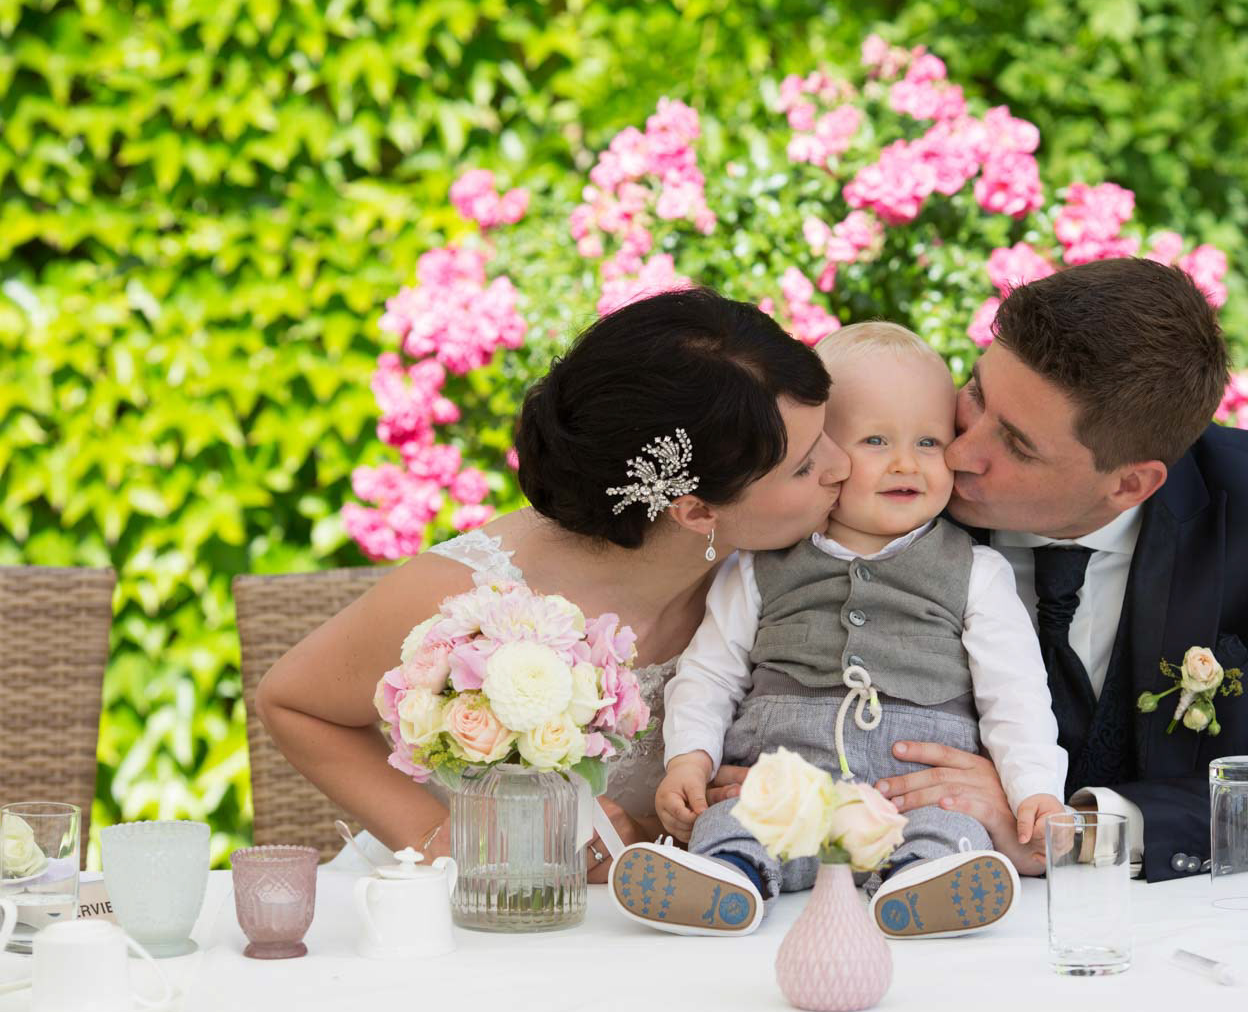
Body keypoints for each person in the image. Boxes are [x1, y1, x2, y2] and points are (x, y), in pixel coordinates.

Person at [255, 288, 850, 879]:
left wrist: (656, 830)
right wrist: (446, 839)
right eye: (804, 466)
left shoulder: (806, 571)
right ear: (696, 511)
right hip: (459, 906)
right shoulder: (474, 596)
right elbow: (293, 703)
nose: (842, 466)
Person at [842, 257, 1248, 882]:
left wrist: (1077, 833)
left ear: (1130, 484)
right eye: (977, 393)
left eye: (1015, 444)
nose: (958, 452)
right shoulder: (880, 488)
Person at [611, 321, 1067, 938]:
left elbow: (1016, 697)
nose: (906, 462)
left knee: (951, 827)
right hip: (784, 786)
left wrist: (1035, 790)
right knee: (736, 818)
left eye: (929, 441)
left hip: (911, 792)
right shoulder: (757, 567)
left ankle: (922, 883)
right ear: (821, 452)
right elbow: (710, 674)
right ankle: (728, 879)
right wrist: (689, 760)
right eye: (875, 440)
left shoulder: (976, 572)